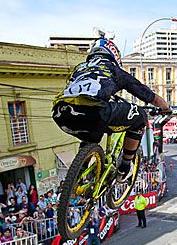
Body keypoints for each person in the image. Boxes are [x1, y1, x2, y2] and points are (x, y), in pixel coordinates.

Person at [52, 35, 170, 182]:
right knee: (139, 116)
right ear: (113, 55)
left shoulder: (79, 69)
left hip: (60, 113)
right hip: (93, 112)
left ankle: (77, 176)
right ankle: (124, 167)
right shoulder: (114, 70)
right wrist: (166, 108)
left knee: (91, 136)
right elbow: (150, 97)